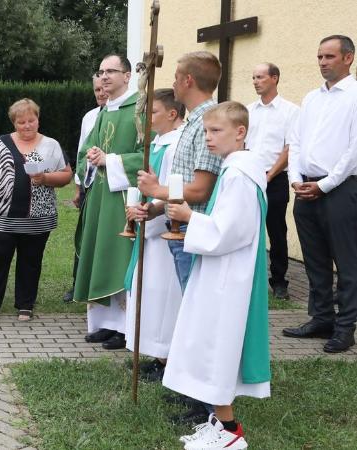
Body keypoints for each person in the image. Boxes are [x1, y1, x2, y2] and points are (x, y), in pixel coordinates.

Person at [164, 101, 270, 450]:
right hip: (221, 272)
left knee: (216, 348)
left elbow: (230, 231)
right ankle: (221, 423)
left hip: (227, 278)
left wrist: (190, 217)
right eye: (206, 131)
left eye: (216, 131)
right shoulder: (234, 168)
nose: (208, 138)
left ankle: (229, 433)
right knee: (210, 346)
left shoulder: (239, 175)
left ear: (240, 133)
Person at [283, 35, 357, 353]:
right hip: (306, 188)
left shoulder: (354, 95)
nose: (323, 62)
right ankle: (322, 318)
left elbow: (354, 149)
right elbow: (296, 141)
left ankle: (345, 328)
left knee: (347, 262)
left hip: (340, 189)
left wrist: (325, 184)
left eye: (329, 56)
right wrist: (296, 178)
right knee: (315, 262)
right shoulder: (311, 98)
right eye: (319, 57)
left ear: (348, 58)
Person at [0, 98, 72, 322]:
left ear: (38, 120)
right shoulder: (0, 143)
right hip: (1, 217)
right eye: (21, 122)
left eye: (31, 120)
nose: (27, 125)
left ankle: (25, 305)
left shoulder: (51, 145)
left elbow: (67, 174)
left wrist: (46, 177)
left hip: (38, 218)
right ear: (14, 123)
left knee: (31, 261)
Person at [72, 54, 144, 350]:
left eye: (111, 71)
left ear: (127, 76)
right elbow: (86, 151)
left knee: (118, 260)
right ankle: (106, 323)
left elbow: (147, 156)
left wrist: (110, 160)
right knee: (100, 256)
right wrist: (90, 160)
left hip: (123, 198)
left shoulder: (139, 109)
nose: (104, 77)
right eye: (101, 72)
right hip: (101, 195)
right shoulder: (102, 112)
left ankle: (126, 328)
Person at [138, 51, 223, 293]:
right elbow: (184, 182)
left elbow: (201, 189)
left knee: (196, 304)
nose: (173, 83)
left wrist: (156, 190)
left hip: (193, 230)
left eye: (176, 78)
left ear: (188, 80)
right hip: (181, 226)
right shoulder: (194, 122)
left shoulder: (209, 121)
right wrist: (155, 208)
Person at [124, 88, 184, 381]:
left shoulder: (177, 145)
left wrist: (151, 209)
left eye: (154, 112)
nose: (148, 118)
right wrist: (135, 207)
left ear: (172, 114)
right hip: (149, 226)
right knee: (150, 294)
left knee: (164, 296)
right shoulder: (158, 142)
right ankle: (158, 356)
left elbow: (174, 188)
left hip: (163, 231)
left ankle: (169, 357)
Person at [246, 63, 299, 300]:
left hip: (275, 178)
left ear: (274, 78)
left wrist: (269, 176)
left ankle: (279, 282)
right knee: (247, 228)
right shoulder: (248, 111)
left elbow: (289, 148)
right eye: (254, 77)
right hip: (249, 177)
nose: (256, 81)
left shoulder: (290, 111)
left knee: (276, 231)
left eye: (261, 77)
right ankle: (248, 278)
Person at [64, 74, 109, 303]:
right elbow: (82, 151)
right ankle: (78, 282)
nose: (100, 93)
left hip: (109, 183)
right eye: (96, 90)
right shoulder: (90, 117)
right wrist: (78, 187)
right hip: (89, 184)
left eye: (103, 88)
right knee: (83, 234)